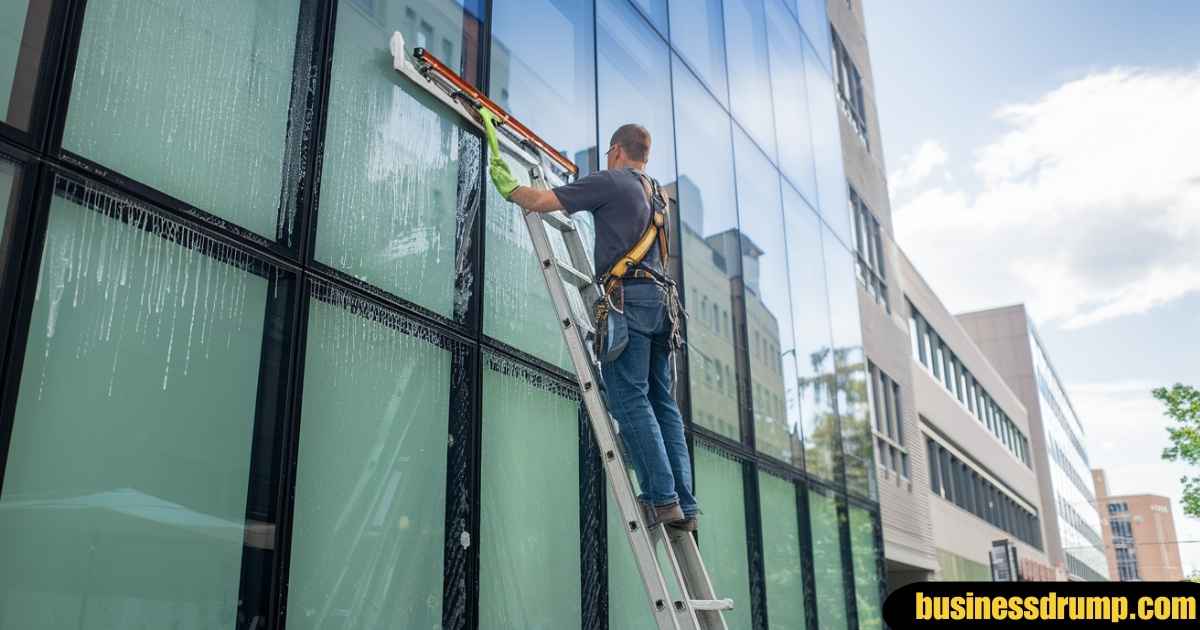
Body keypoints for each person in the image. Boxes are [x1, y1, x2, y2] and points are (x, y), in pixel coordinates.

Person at [479, 109, 698, 531]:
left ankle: (662, 498)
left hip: (629, 303)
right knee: (662, 402)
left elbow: (541, 202)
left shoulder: (610, 180)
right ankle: (684, 505)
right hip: (660, 308)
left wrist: (509, 187)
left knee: (629, 396)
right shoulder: (658, 195)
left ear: (616, 151)